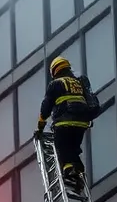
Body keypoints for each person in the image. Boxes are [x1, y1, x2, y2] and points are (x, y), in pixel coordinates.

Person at [35, 56, 102, 191]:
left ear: (54, 71)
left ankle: (69, 170)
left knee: (62, 148)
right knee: (73, 148)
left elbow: (46, 108)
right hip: (81, 124)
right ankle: (78, 172)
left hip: (64, 123)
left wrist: (40, 127)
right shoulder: (79, 82)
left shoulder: (55, 84)